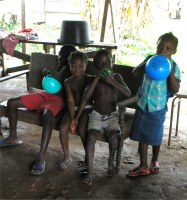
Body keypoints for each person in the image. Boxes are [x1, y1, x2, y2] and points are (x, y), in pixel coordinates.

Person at [0, 44, 77, 175]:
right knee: (12, 103)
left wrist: (57, 76)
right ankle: (13, 137)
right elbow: (49, 84)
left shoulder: (72, 71)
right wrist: (47, 74)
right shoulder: (58, 67)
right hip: (44, 95)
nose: (58, 58)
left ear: (69, 59)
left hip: (58, 100)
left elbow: (68, 93)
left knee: (47, 116)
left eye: (61, 56)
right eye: (58, 55)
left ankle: (41, 157)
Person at [127, 32, 181, 177]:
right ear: (156, 44)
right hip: (142, 104)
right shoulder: (150, 59)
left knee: (156, 136)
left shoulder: (174, 67)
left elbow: (175, 89)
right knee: (141, 135)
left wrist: (169, 72)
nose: (163, 50)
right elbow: (134, 73)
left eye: (168, 49)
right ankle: (143, 165)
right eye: (161, 46)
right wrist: (147, 62)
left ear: (174, 51)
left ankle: (154, 160)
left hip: (157, 108)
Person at [73, 49, 131, 185]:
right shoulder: (93, 79)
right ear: (95, 67)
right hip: (96, 114)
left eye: (106, 63)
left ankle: (110, 162)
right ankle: (90, 172)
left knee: (113, 139)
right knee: (91, 137)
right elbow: (86, 96)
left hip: (112, 115)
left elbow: (127, 93)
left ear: (112, 63)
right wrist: (97, 78)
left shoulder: (116, 77)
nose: (104, 66)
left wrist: (112, 82)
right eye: (100, 64)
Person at [56, 50, 93, 170]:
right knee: (62, 128)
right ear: (69, 66)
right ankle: (67, 156)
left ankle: (88, 158)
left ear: (86, 66)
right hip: (73, 108)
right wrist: (72, 119)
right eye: (74, 66)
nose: (77, 69)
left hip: (86, 107)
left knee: (82, 128)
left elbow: (85, 99)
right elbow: (70, 101)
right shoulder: (68, 82)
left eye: (81, 66)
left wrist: (76, 119)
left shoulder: (89, 79)